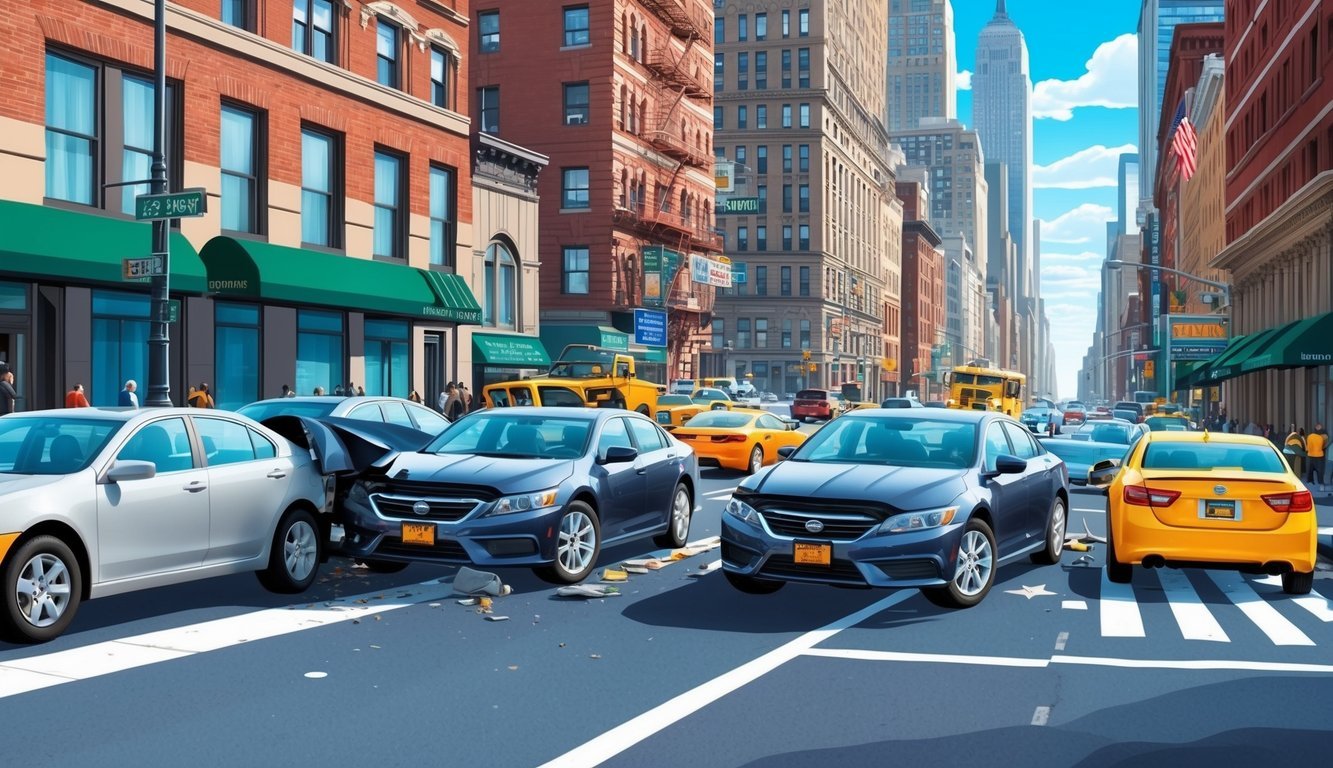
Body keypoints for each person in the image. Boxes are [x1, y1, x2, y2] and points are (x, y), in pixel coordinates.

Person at [1305, 423, 1326, 491]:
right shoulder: (1322, 437)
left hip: (1310, 455)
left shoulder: (1309, 436)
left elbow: (1308, 446)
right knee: (1320, 470)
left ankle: (1310, 481)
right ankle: (1321, 483)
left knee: (1310, 469)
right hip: (1319, 455)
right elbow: (1323, 446)